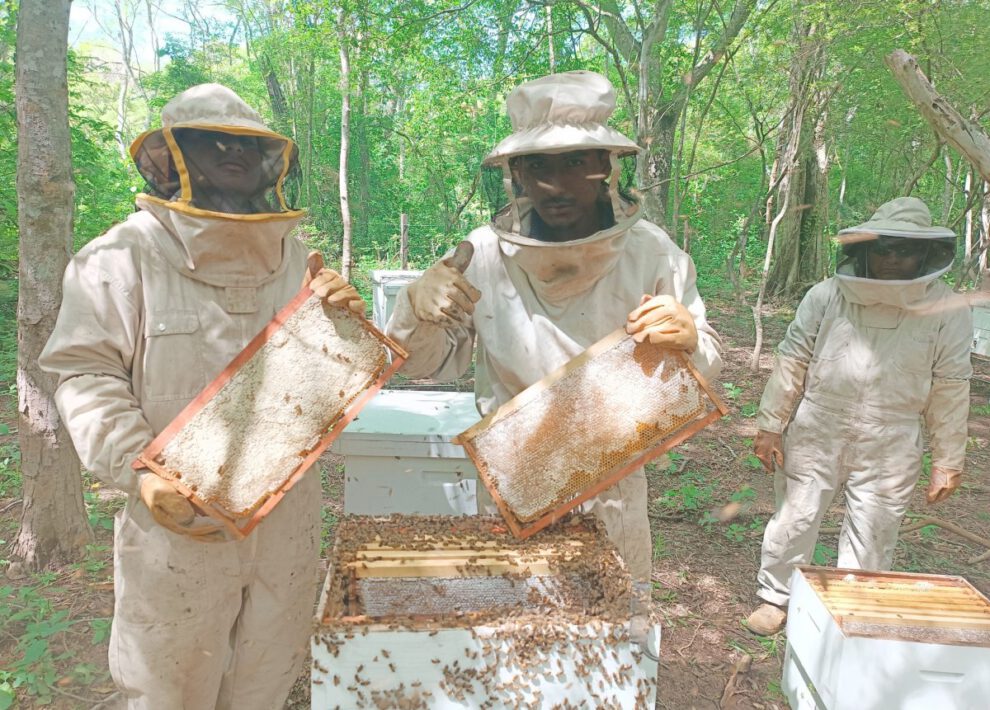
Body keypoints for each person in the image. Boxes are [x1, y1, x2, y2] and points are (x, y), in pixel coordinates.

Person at [39, 84, 364, 708]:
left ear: (271, 161)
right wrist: (143, 472)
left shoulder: (298, 260)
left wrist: (345, 333)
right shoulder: (118, 257)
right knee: (169, 686)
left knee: (266, 678)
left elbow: (320, 392)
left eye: (244, 143)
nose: (229, 152)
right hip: (174, 524)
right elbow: (85, 374)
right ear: (171, 159)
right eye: (209, 140)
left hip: (286, 522)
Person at [385, 70, 722, 589]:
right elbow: (427, 363)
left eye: (575, 164)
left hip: (614, 476)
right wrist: (415, 307)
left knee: (610, 640)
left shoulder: (651, 251)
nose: (555, 185)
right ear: (517, 174)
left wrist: (691, 337)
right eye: (538, 166)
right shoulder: (482, 254)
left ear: (605, 167)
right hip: (512, 477)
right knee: (510, 634)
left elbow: (705, 362)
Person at [745, 197, 972, 636]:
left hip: (894, 433)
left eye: (902, 250)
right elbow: (793, 358)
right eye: (882, 249)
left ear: (924, 254)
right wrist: (771, 424)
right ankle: (776, 597)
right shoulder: (827, 294)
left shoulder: (948, 308)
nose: (890, 259)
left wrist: (948, 459)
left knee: (875, 526)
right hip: (818, 423)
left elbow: (950, 385)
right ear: (864, 250)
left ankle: (847, 611)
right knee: (795, 516)